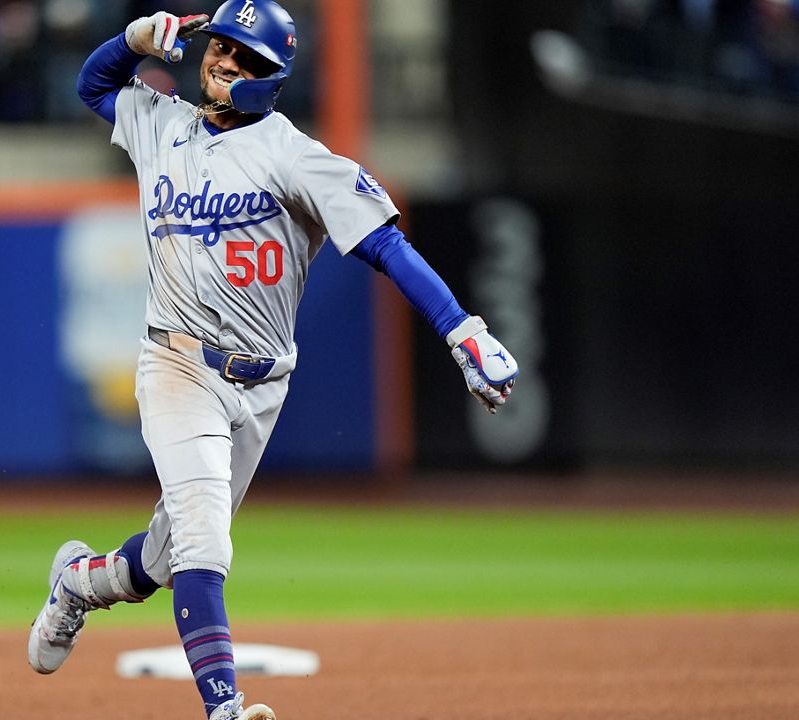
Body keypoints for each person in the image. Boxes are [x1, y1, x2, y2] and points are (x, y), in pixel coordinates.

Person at [27, 2, 519, 718]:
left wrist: (461, 328)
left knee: (163, 564)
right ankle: (224, 708)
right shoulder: (161, 123)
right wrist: (135, 39)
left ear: (273, 78)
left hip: (261, 384)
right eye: (221, 47)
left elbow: (385, 245)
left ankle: (79, 581)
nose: (224, 63)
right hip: (176, 364)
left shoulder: (294, 155)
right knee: (204, 542)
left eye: (245, 58)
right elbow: (94, 87)